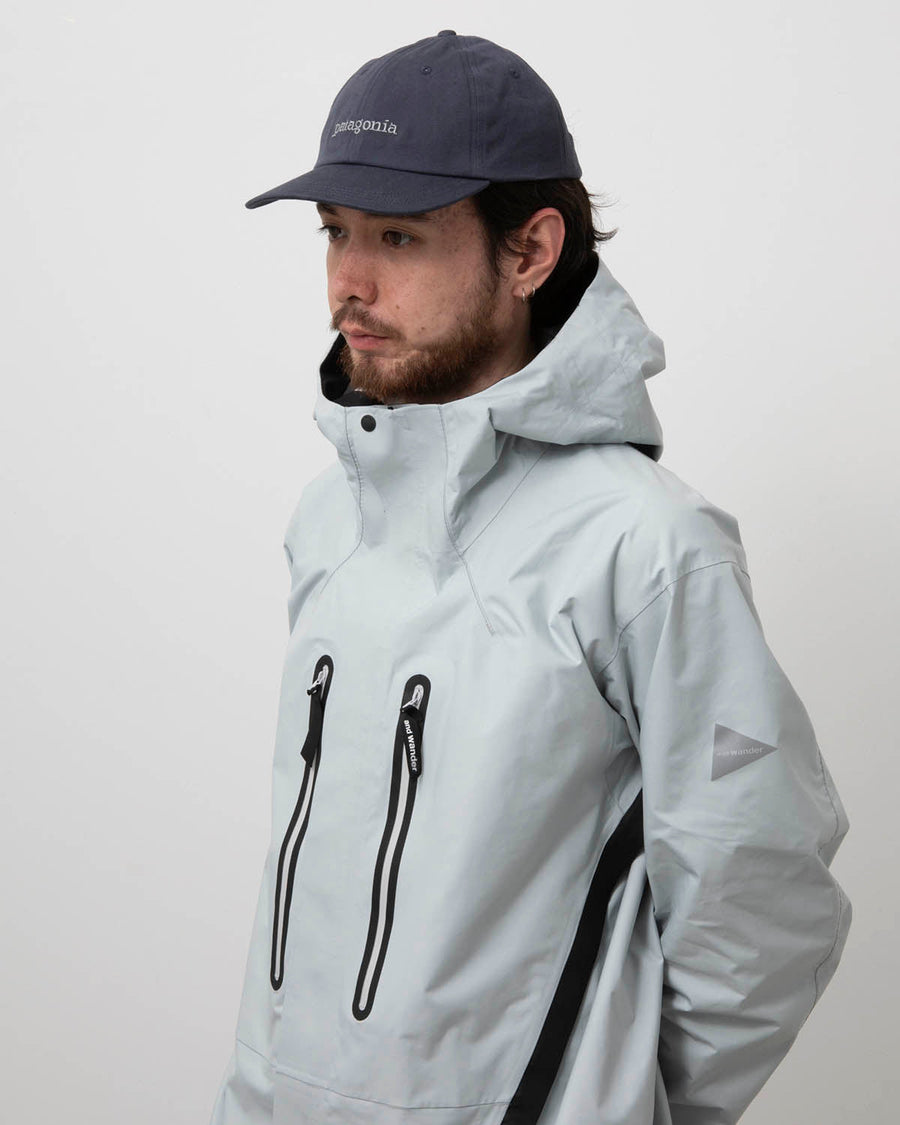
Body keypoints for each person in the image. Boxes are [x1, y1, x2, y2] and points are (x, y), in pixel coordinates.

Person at [210, 31, 851, 1125]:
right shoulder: (331, 517)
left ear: (530, 252)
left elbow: (762, 895)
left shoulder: (645, 546)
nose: (348, 283)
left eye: (398, 235)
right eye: (335, 232)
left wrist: (623, 1102)